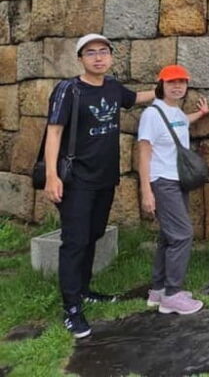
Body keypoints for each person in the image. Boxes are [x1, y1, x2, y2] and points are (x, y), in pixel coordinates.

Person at [44, 33, 155, 338]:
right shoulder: (69, 90)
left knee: (92, 235)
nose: (98, 57)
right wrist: (52, 176)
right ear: (80, 58)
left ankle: (83, 290)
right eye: (91, 53)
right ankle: (71, 308)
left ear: (110, 56)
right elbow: (54, 133)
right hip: (76, 180)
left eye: (103, 52)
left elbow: (136, 99)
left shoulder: (113, 87)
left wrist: (166, 88)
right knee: (75, 240)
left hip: (105, 179)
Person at [138, 65, 209, 315]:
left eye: (182, 82)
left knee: (169, 236)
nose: (178, 86)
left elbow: (180, 123)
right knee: (182, 235)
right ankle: (173, 294)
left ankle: (158, 290)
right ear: (161, 85)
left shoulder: (176, 111)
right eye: (172, 82)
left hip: (177, 179)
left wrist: (199, 115)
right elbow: (144, 152)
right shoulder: (152, 114)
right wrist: (146, 191)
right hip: (162, 181)